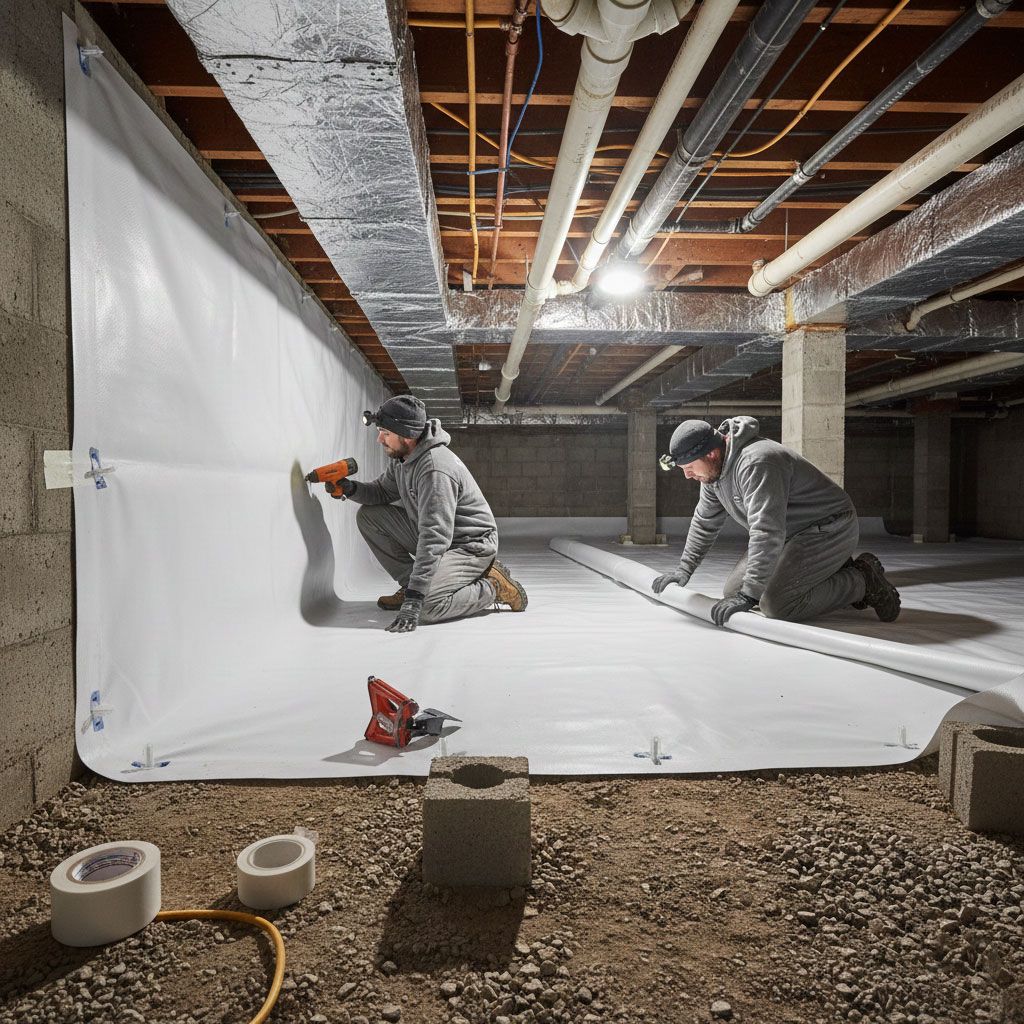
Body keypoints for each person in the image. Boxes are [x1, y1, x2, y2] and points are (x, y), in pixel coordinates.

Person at [652, 417, 900, 627]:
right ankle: (830, 570)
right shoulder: (713, 475)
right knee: (731, 593)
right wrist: (683, 571)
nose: (687, 475)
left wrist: (749, 594)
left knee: (776, 604)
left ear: (711, 453)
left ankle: (862, 580)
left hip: (827, 528)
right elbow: (704, 522)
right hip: (789, 533)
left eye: (690, 467)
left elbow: (766, 531)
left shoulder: (756, 462)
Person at [339, 395, 527, 633]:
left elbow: (434, 537)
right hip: (439, 535)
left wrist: (416, 599)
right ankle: (412, 586)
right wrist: (350, 489)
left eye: (385, 432)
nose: (379, 439)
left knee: (428, 607)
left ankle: (493, 587)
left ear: (406, 434)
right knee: (369, 517)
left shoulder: (435, 469)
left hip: (469, 545)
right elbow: (381, 492)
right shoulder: (403, 458)